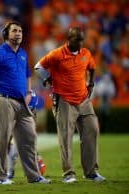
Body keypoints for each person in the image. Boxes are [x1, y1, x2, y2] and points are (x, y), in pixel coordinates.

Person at [0, 21, 50, 185]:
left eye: (21, 31)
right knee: (2, 139)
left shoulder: (23, 53)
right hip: (4, 100)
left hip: (22, 102)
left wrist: (30, 92)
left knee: (30, 138)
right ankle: (1, 177)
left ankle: (34, 176)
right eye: (15, 31)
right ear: (6, 34)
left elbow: (27, 76)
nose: (19, 33)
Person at [34, 26, 106, 183]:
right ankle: (69, 174)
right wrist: (47, 79)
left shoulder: (85, 53)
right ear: (68, 39)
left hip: (83, 99)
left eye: (81, 40)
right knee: (65, 138)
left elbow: (92, 67)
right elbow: (38, 66)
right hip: (64, 100)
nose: (80, 43)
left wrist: (91, 83)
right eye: (76, 40)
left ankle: (91, 172)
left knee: (92, 130)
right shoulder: (57, 54)